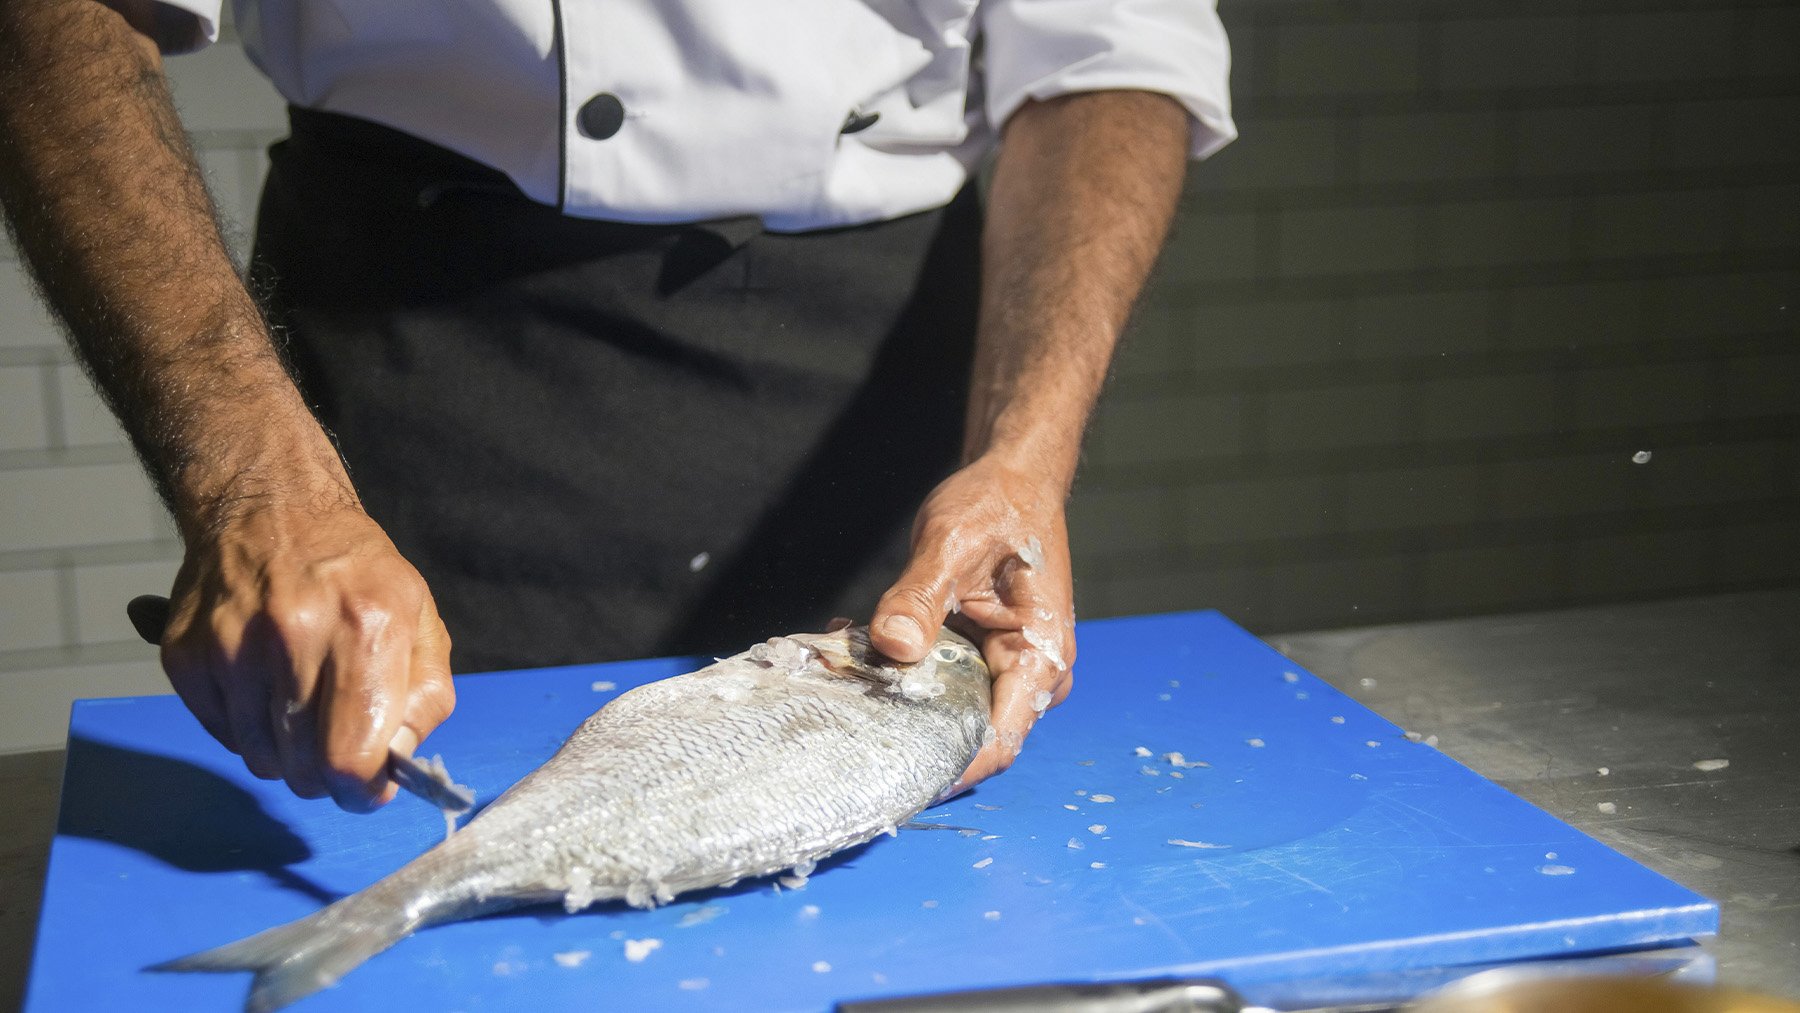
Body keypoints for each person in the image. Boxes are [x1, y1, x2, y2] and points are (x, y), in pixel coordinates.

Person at [0, 0, 1234, 813]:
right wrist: (255, 481)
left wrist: (1024, 453)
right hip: (420, 338)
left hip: (875, 386)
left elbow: (1113, 51)